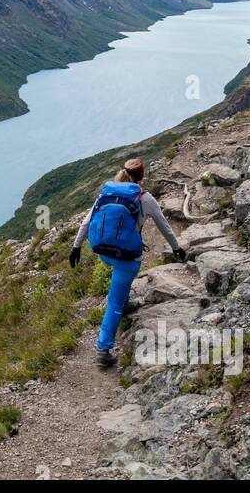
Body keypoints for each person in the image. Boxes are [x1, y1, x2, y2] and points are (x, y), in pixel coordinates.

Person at [68, 158, 186, 369]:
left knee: (119, 284)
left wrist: (76, 247)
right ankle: (103, 351)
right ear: (142, 176)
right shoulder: (145, 198)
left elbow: (86, 222)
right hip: (128, 257)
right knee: (114, 301)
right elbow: (164, 227)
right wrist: (177, 248)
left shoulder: (107, 193)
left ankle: (125, 300)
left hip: (104, 252)